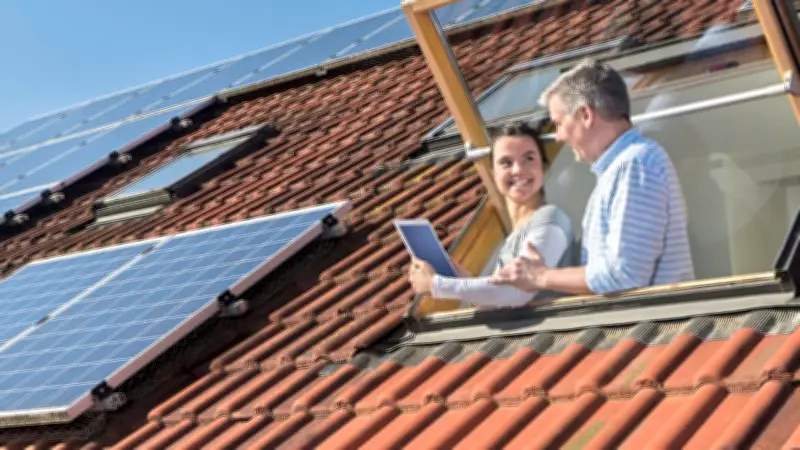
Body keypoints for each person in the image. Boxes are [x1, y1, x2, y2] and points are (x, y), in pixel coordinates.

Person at [491, 58, 695, 296]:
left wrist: (541, 277)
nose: (558, 136)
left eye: (559, 123)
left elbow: (624, 274)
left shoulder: (634, 164)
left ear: (586, 115)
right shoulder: (626, 166)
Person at [407, 121, 577, 308]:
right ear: (493, 173)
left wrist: (436, 284)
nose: (518, 170)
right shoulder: (517, 233)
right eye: (506, 163)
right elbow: (505, 299)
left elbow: (517, 292)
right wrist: (466, 281)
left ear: (543, 167)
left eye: (529, 159)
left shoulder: (550, 220)